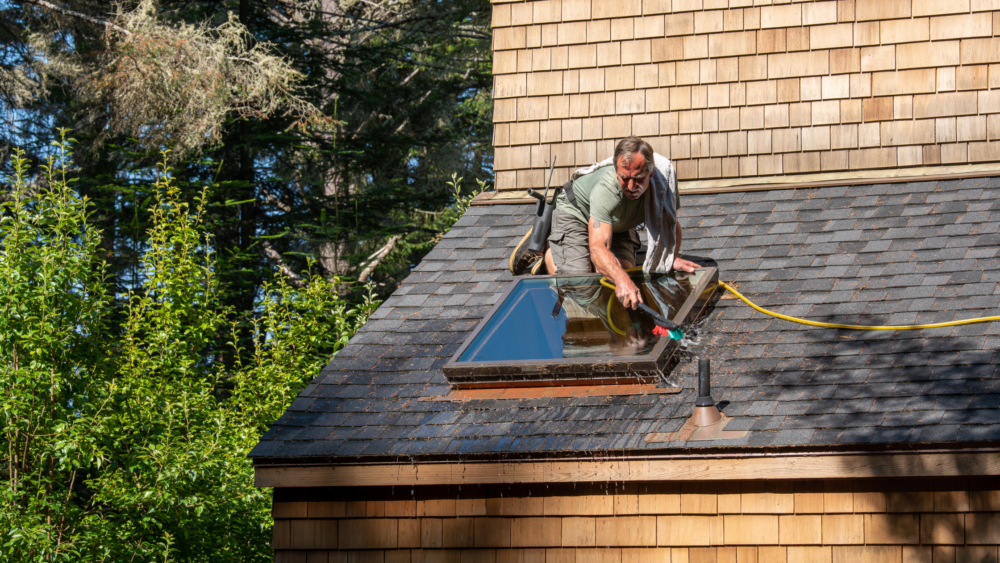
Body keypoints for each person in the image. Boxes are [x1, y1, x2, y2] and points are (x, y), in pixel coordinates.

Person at [512, 136, 700, 310]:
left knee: (625, 277)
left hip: (619, 222)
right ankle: (550, 250)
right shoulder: (607, 188)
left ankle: (567, 252)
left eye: (638, 179)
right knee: (582, 287)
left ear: (650, 173)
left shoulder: (663, 182)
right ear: (616, 171)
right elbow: (598, 248)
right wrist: (620, 280)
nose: (631, 187)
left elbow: (670, 225)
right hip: (576, 213)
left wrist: (668, 258)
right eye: (624, 179)